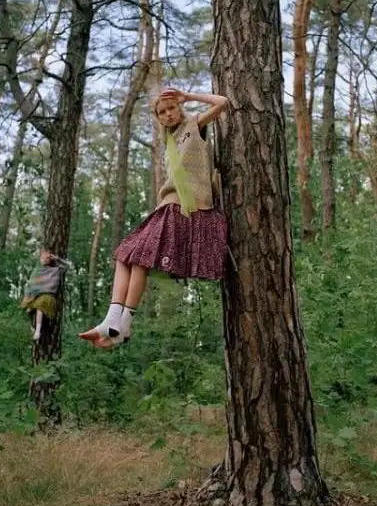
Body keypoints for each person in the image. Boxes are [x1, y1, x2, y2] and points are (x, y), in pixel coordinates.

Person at [79, 87, 229, 350]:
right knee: (127, 257)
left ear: (179, 108)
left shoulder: (193, 125)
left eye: (171, 108)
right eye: (162, 112)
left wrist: (188, 97)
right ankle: (117, 324)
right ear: (158, 118)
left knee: (137, 258)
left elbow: (222, 102)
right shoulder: (168, 142)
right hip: (169, 206)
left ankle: (118, 324)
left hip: (187, 208)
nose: (168, 114)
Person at [21, 248, 70, 341]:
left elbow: (67, 266)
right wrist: (27, 296)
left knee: (39, 306)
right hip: (36, 296)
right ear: (40, 259)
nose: (44, 260)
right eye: (42, 258)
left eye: (47, 258)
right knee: (27, 308)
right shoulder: (36, 271)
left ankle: (38, 331)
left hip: (48, 296)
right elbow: (30, 284)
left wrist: (57, 258)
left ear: (50, 259)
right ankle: (32, 327)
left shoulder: (55, 270)